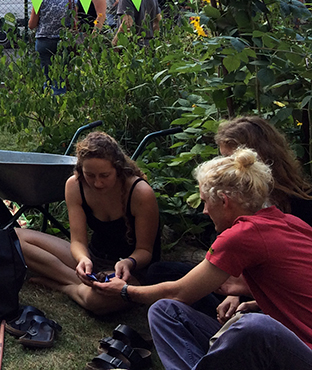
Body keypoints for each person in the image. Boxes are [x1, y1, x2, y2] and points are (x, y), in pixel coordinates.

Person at [91, 148, 312, 370]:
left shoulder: (243, 235)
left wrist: (124, 291)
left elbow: (179, 292)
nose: (205, 211)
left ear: (224, 201)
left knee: (254, 326)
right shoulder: (290, 222)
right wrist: (250, 301)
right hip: (288, 344)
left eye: (205, 201)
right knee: (164, 311)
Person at [16, 131, 161, 315]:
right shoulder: (75, 185)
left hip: (129, 270)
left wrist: (128, 262)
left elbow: (145, 251)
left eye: (104, 175)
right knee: (16, 237)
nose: (97, 183)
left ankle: (64, 286)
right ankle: (82, 283)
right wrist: (83, 259)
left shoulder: (140, 192)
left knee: (97, 300)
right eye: (90, 175)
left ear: (118, 169)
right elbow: (77, 241)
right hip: (94, 258)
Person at [215, 115, 312, 224]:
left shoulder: (301, 202)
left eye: (232, 159)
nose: (226, 165)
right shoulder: (231, 202)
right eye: (224, 158)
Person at [28, 0, 68, 91]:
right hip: (64, 41)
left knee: (48, 76)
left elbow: (32, 24)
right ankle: (62, 101)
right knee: (62, 76)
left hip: (44, 40)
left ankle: (50, 102)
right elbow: (74, 21)